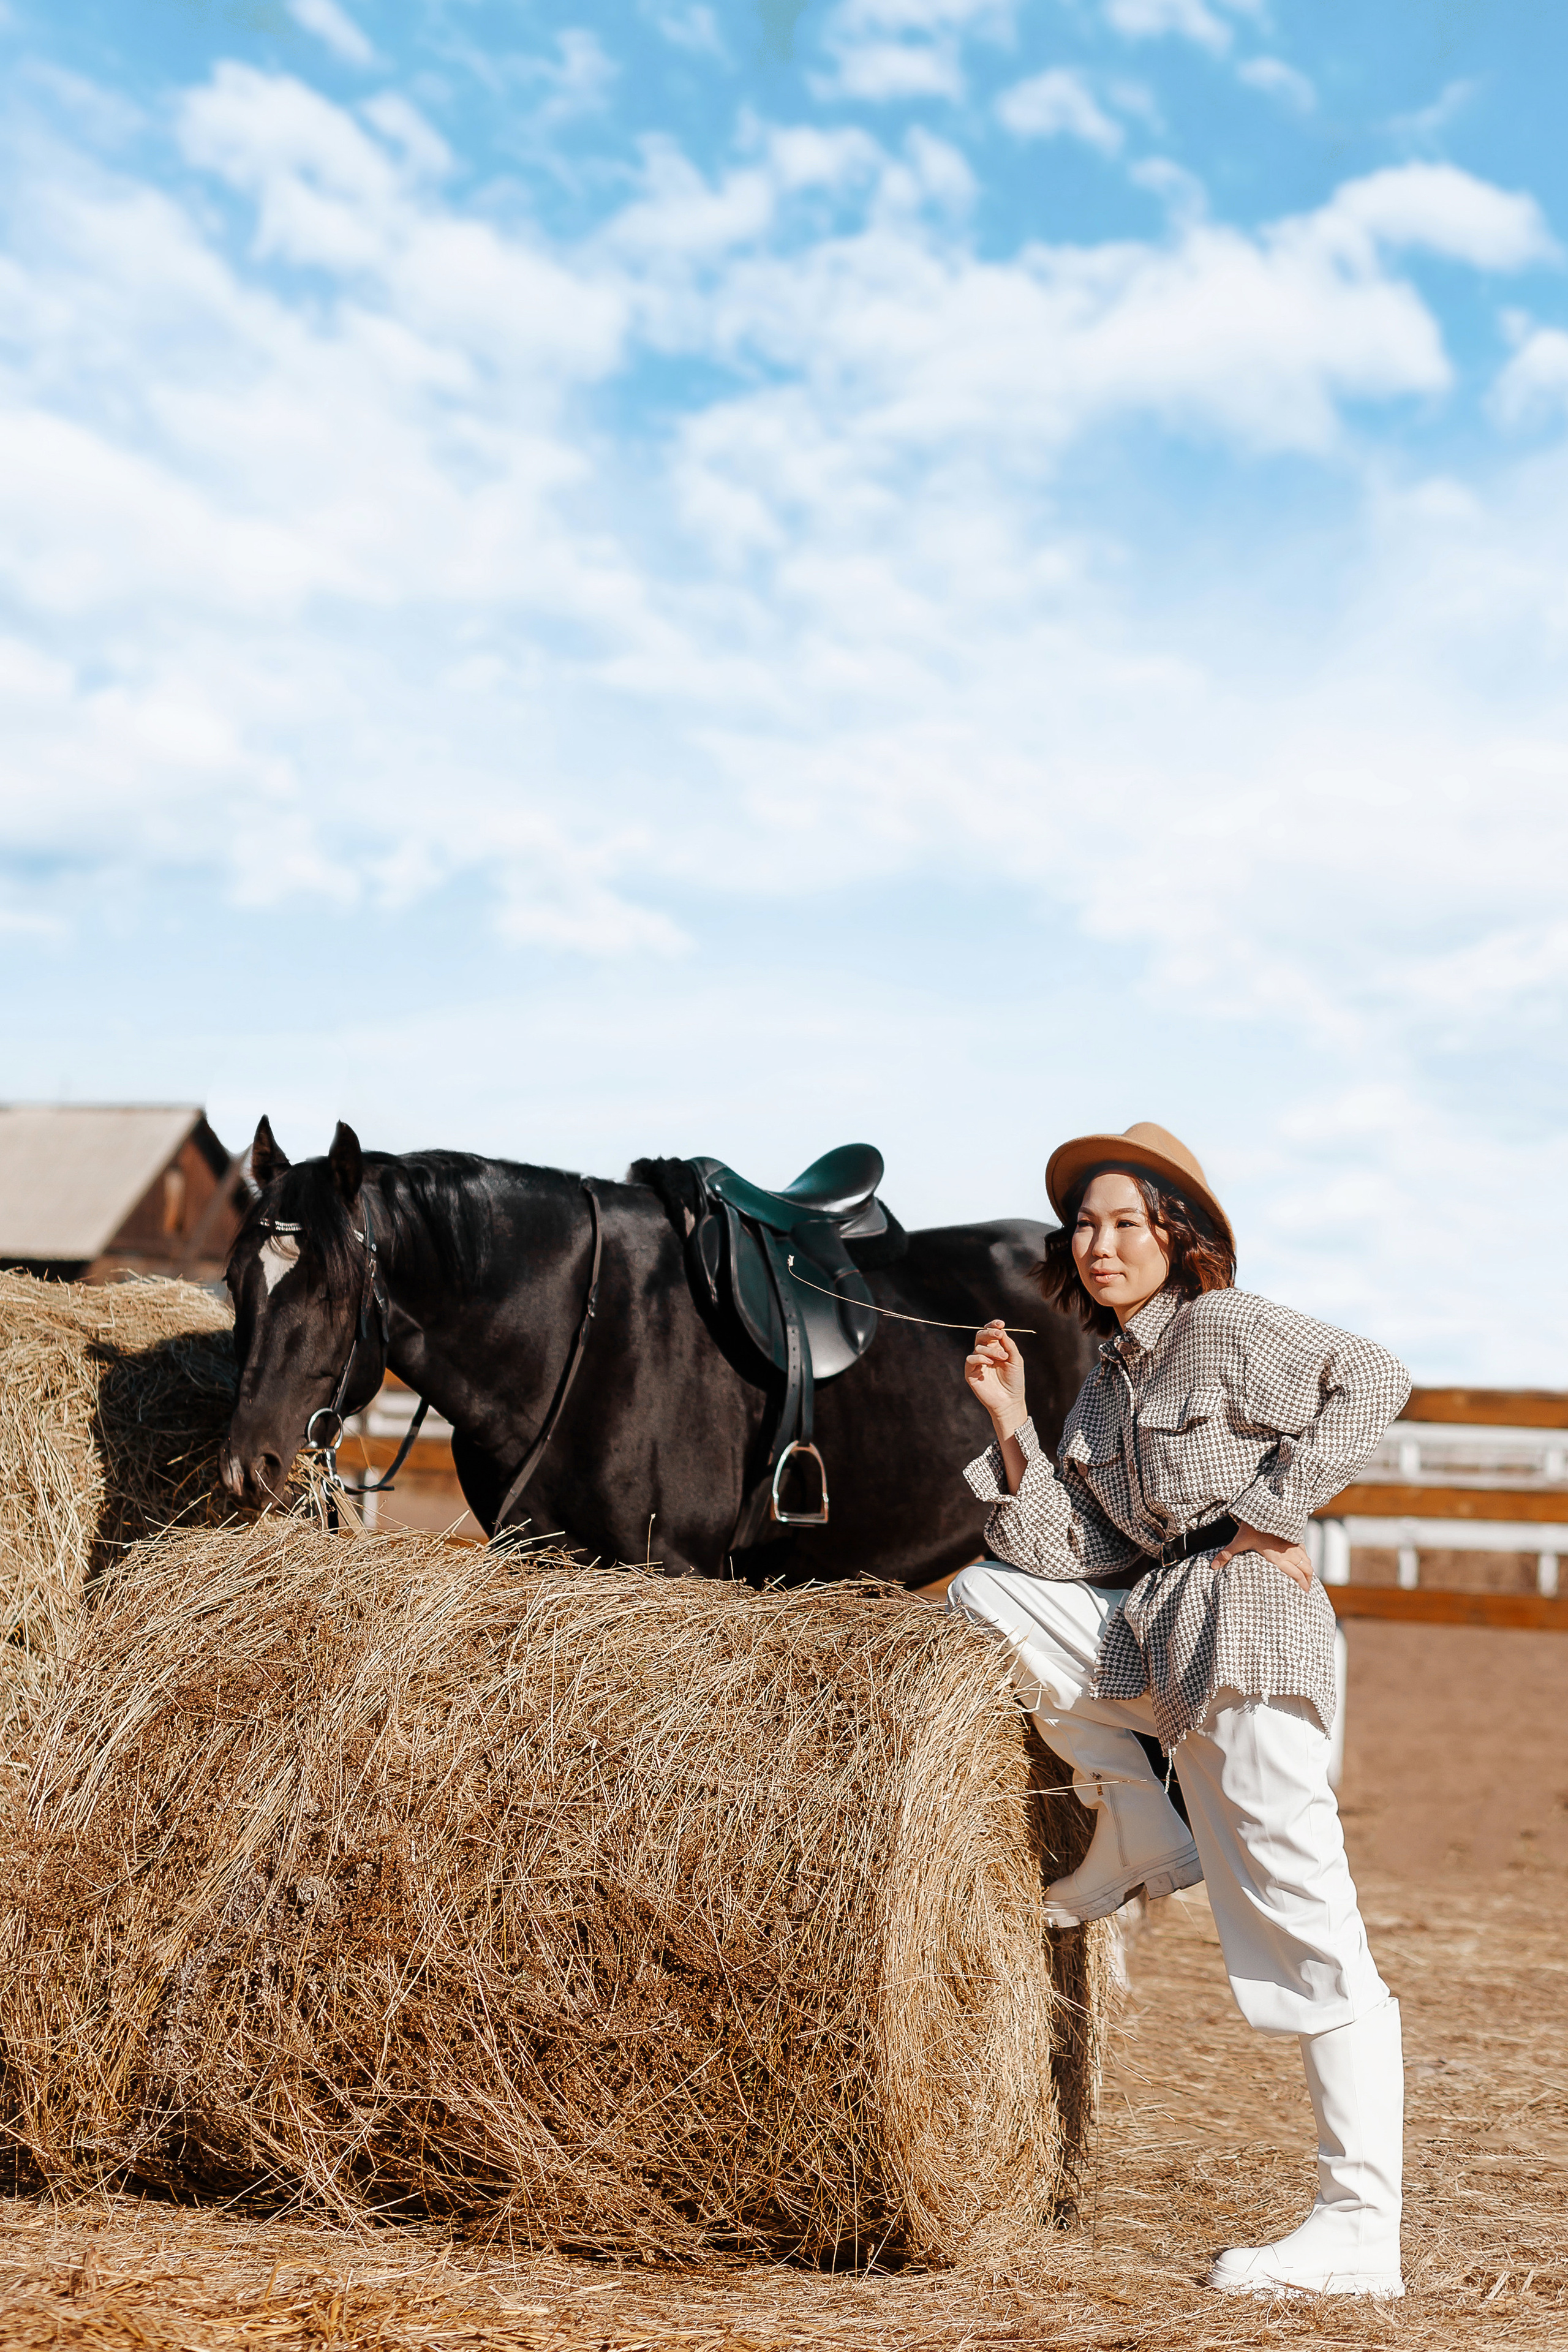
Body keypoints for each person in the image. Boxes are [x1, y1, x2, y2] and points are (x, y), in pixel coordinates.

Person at [948, 1122, 1409, 2300]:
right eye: (1083, 1226)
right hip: (1157, 1633)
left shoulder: (1223, 1325)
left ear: (1176, 1236)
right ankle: (1141, 1821)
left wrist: (1273, 1510)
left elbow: (1377, 1378)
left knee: (1308, 1917)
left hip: (1246, 1638)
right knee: (987, 1593)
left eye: (1122, 1222)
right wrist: (1008, 1417)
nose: (1096, 1245)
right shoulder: (1105, 1384)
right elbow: (1068, 1553)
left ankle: (1361, 2226)